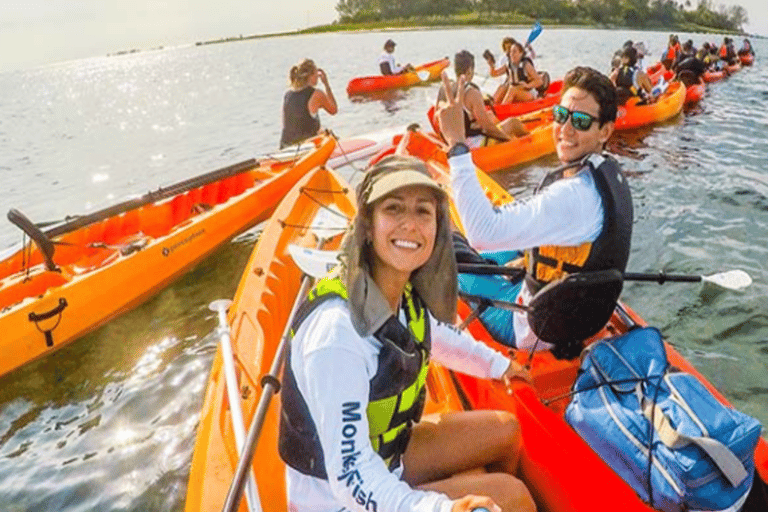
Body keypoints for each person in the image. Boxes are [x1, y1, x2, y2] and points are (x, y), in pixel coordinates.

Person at [278, 155, 536, 512]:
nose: (410, 225)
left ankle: (473, 491)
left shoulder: (400, 294)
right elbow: (351, 473)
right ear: (367, 226)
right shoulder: (336, 334)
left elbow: (433, 334)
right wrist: (437, 508)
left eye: (422, 212)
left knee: (507, 430)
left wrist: (498, 365)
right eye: (394, 209)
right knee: (514, 497)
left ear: (436, 225)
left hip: (390, 453)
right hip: (338, 500)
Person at [435, 66, 633, 356]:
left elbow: (481, 232)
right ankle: (494, 268)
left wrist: (456, 145)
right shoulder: (603, 173)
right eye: (561, 115)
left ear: (605, 130)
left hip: (530, 327)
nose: (565, 129)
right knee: (492, 255)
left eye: (580, 121)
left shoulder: (572, 196)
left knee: (444, 249)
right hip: (573, 315)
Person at [436, 50, 527, 148]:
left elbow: (436, 120)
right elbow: (487, 128)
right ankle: (529, 142)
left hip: (451, 140)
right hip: (472, 145)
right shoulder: (471, 92)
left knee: (490, 115)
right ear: (470, 70)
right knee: (513, 123)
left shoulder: (444, 88)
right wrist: (507, 140)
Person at [279, 59, 337, 149]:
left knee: (322, 132)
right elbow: (334, 110)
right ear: (311, 76)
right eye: (316, 73)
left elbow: (289, 125)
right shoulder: (317, 94)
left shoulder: (287, 95)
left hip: (285, 147)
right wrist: (326, 84)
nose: (318, 76)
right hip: (305, 150)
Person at [484, 37, 517, 104]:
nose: (508, 51)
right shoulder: (508, 64)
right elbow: (494, 74)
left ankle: (497, 108)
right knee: (502, 87)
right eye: (507, 49)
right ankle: (491, 104)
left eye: (510, 48)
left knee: (505, 88)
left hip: (519, 89)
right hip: (510, 88)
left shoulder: (524, 62)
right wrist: (491, 65)